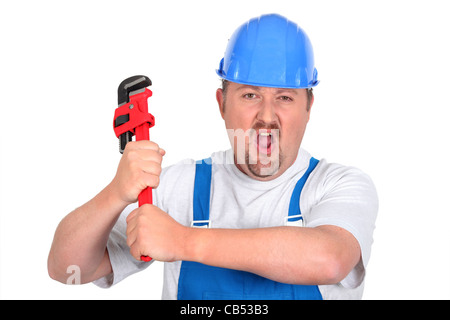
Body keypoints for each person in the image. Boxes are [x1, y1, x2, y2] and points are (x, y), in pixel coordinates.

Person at [48, 13, 378, 300]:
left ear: (309, 107)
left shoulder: (338, 185)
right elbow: (67, 269)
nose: (267, 116)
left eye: (285, 98)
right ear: (222, 104)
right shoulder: (176, 188)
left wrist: (183, 240)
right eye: (250, 95)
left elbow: (329, 259)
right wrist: (115, 193)